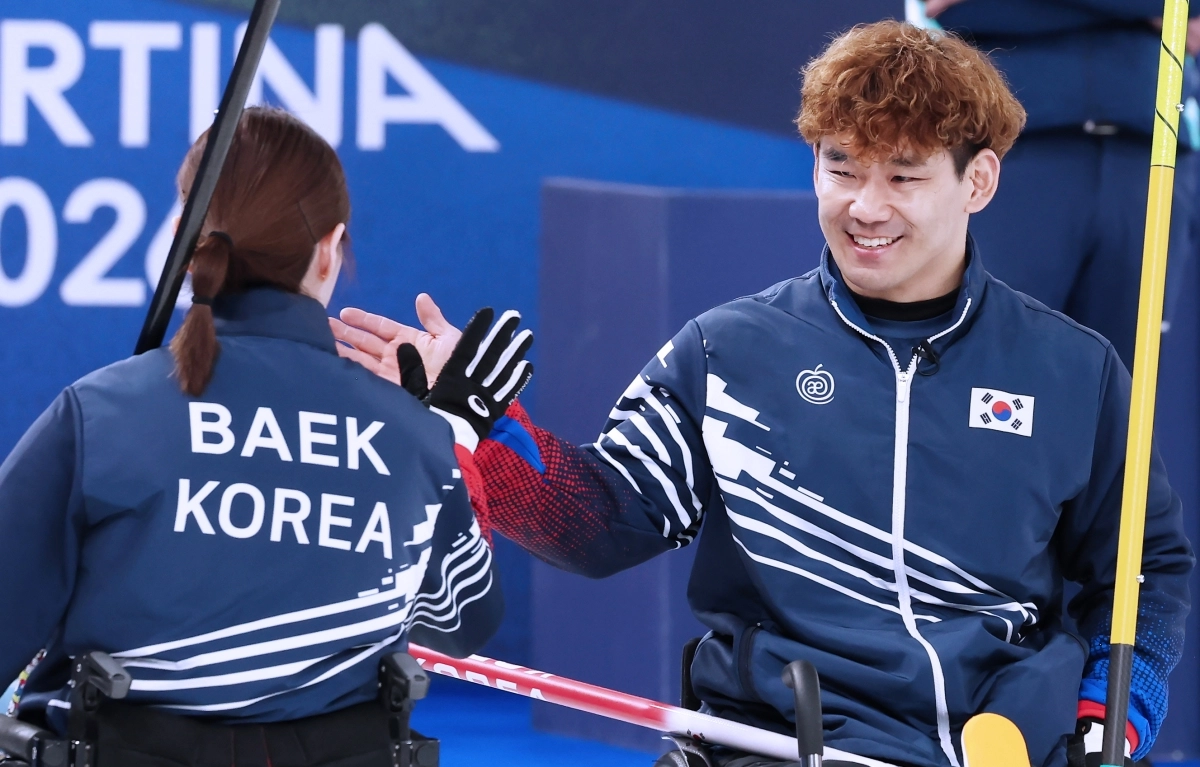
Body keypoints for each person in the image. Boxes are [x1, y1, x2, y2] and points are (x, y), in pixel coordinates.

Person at [332, 22, 1194, 767]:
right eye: (841, 166)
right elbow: (596, 522)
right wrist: (480, 429)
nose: (865, 205)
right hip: (769, 742)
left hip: (986, 744)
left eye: (904, 175)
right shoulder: (729, 351)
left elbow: (1145, 572)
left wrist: (1113, 716)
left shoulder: (1072, 370)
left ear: (979, 182)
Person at [0, 106, 532, 765]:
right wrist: (448, 434)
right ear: (331, 250)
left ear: (180, 236)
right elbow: (463, 622)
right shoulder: (414, 439)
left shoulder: (98, 416)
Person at [925, 0, 1200, 366]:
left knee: (1125, 386)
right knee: (995, 362)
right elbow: (955, 9)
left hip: (1149, 158)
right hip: (1015, 157)